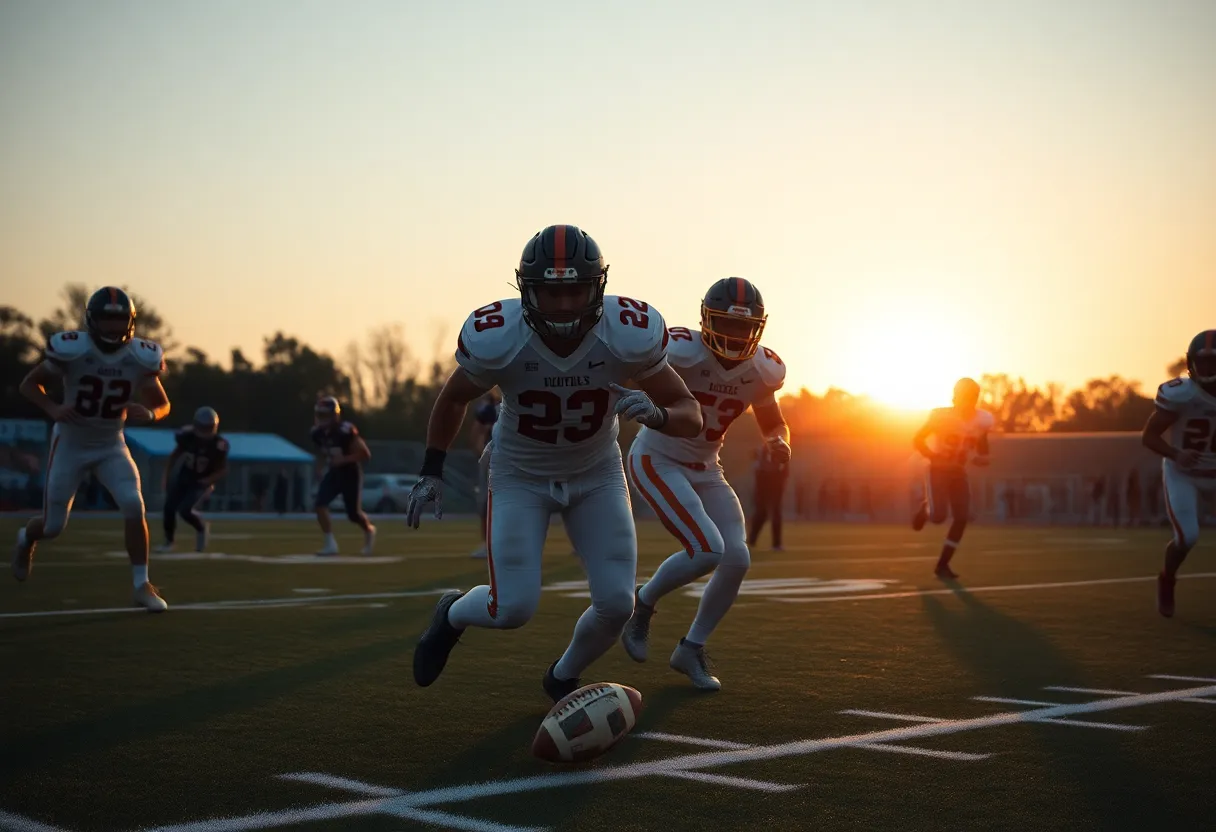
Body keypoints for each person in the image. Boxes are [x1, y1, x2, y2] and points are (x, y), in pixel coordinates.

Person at [406, 224, 702, 702]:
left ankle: (562, 676)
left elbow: (691, 413)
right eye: (550, 291)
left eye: (575, 291)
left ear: (597, 287)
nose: (563, 305)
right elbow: (454, 397)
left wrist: (659, 414)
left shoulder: (627, 333)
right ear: (527, 290)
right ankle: (454, 613)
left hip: (596, 472)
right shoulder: (500, 336)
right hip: (520, 474)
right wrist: (431, 469)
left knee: (616, 604)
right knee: (512, 608)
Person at [620, 277, 788, 691]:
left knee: (737, 559)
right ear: (706, 320)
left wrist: (779, 442)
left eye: (743, 328)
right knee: (707, 550)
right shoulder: (679, 350)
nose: (734, 336)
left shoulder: (762, 369)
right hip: (657, 456)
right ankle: (643, 604)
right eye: (726, 325)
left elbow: (772, 419)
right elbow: (624, 380)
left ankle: (690, 648)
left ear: (757, 329)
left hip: (707, 466)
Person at [12, 287, 171, 611]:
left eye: (119, 320)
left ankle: (142, 585)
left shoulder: (141, 356)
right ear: (92, 321)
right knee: (54, 527)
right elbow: (29, 384)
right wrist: (52, 408)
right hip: (71, 442)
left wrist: (152, 413)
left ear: (130, 321)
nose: (113, 327)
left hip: (112, 443)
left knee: (133, 504)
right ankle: (26, 538)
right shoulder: (72, 350)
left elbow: (163, 403)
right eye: (106, 320)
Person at [1142, 329, 1216, 617]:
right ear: (1191, 363)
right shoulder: (1182, 395)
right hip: (1184, 472)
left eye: (1213, 362)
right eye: (1203, 361)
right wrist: (1176, 454)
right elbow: (1148, 437)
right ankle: (1167, 578)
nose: (1208, 368)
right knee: (1188, 537)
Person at [910, 377, 994, 579]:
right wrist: (931, 455)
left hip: (958, 472)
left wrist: (982, 458)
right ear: (956, 396)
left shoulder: (981, 420)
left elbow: (983, 446)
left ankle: (943, 565)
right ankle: (925, 509)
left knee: (962, 517)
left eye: (973, 396)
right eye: (966, 396)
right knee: (938, 517)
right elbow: (917, 438)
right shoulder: (941, 416)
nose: (969, 401)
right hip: (938, 470)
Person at [156, 406, 228, 553]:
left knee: (185, 510)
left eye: (209, 427)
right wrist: (167, 475)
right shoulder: (187, 437)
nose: (206, 431)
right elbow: (174, 456)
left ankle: (201, 528)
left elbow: (222, 469)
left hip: (202, 482)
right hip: (185, 477)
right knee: (169, 507)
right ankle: (169, 542)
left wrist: (208, 481)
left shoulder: (219, 444)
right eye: (203, 427)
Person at [311, 397, 374, 555]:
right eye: (319, 415)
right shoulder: (317, 433)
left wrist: (344, 459)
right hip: (334, 472)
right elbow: (322, 453)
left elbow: (365, 454)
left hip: (350, 473)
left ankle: (369, 531)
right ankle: (330, 544)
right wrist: (319, 467)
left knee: (353, 514)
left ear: (334, 415)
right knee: (320, 504)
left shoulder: (345, 431)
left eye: (324, 415)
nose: (321, 419)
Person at [469, 389, 500, 557]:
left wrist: (481, 454)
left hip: (495, 460)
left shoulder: (488, 409)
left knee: (486, 504)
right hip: (515, 460)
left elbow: (476, 433)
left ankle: (487, 544)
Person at [748, 438, 790, 551]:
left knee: (774, 511)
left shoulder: (778, 445)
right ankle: (752, 540)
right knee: (762, 512)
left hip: (774, 480)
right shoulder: (765, 447)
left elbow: (785, 465)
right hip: (765, 480)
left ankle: (776, 543)